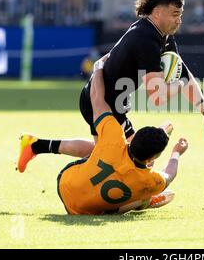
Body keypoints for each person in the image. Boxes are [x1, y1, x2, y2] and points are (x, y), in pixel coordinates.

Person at [17, 0, 204, 173]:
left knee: (109, 154)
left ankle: (35, 145)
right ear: (157, 12)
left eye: (181, 15)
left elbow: (183, 72)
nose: (179, 20)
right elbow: (158, 96)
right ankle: (131, 194)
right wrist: (180, 83)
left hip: (111, 99)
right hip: (102, 101)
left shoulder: (160, 34)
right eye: (175, 14)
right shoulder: (147, 40)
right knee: (136, 158)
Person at [58, 66, 188, 215]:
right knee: (143, 194)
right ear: (152, 158)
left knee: (98, 151)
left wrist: (99, 69)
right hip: (84, 211)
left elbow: (97, 99)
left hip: (65, 183)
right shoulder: (150, 180)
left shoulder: (114, 135)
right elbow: (169, 175)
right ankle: (144, 202)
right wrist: (176, 152)